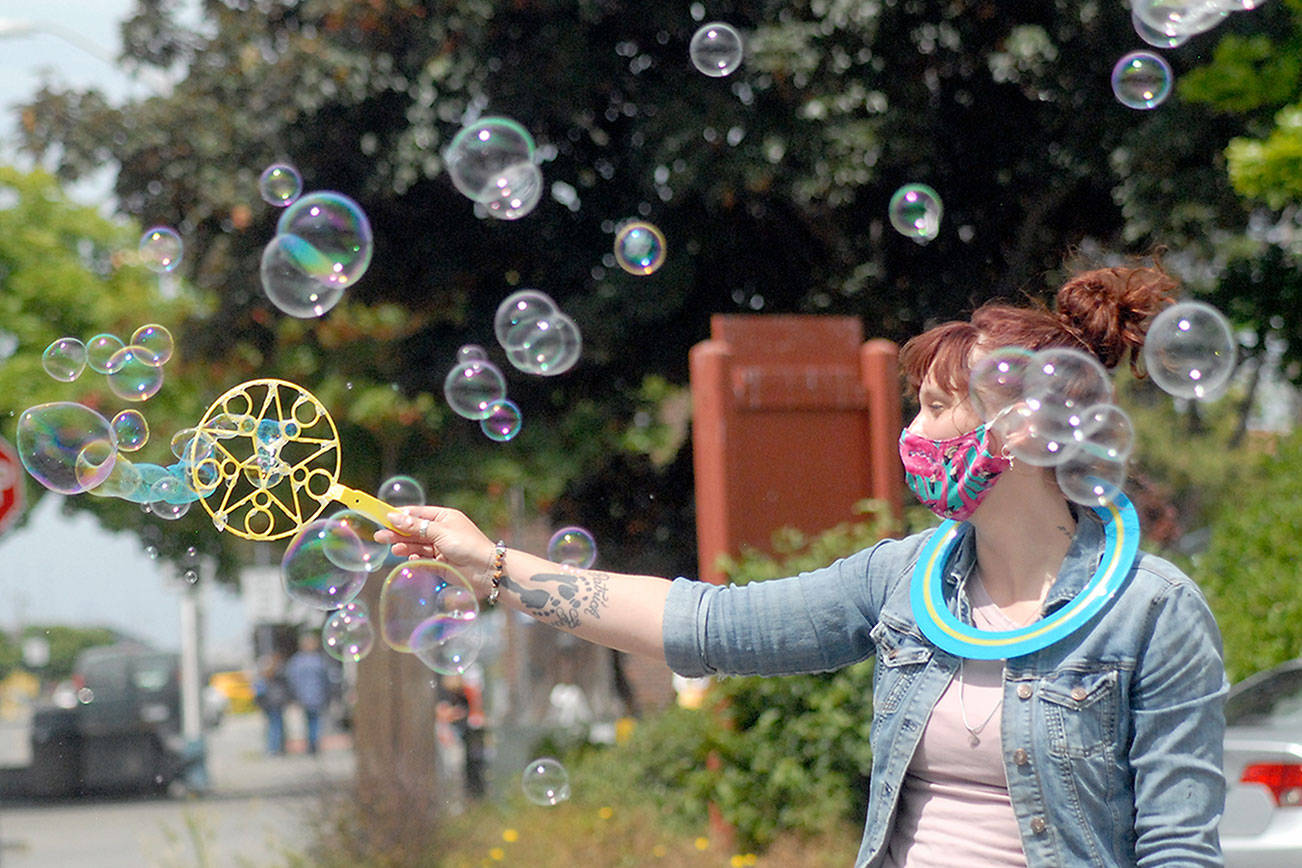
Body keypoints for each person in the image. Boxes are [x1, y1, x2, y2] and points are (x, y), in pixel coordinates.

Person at [376, 264, 1227, 866]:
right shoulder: (906, 581)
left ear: (1030, 431)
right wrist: (493, 563)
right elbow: (711, 625)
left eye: (937, 408)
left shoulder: (1153, 613)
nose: (916, 436)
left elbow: (1180, 852)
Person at [284, 632, 332, 754]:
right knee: (315, 721)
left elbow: (291, 679)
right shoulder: (318, 660)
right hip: (318, 696)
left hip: (303, 697)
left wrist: (294, 695)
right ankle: (314, 744)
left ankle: (311, 744)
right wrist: (328, 694)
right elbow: (326, 678)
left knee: (308, 721)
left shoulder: (296, 661)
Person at [253, 650, 291, 756]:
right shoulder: (279, 674)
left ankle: (273, 748)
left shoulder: (265, 676)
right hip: (275, 702)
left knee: (272, 725)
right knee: (276, 725)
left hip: (268, 703)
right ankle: (276, 748)